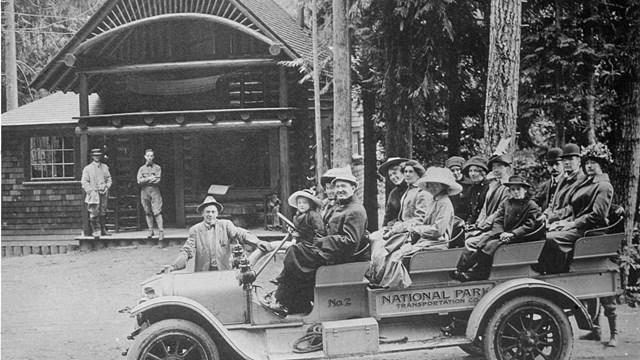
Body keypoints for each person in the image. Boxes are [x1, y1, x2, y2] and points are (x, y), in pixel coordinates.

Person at [266, 166, 367, 316]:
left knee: (295, 252)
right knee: (297, 252)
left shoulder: (355, 210)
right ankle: (299, 303)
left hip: (339, 256)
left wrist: (321, 242)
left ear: (353, 187)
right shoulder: (341, 206)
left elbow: (351, 242)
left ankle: (282, 300)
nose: (339, 190)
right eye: (337, 186)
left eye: (343, 186)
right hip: (329, 250)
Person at [366, 167, 459, 289]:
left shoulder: (444, 203)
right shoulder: (433, 200)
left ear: (444, 186)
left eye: (436, 185)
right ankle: (381, 281)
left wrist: (417, 229)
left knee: (397, 255)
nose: (432, 187)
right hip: (425, 239)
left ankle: (394, 286)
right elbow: (423, 221)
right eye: (430, 185)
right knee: (389, 250)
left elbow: (438, 230)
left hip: (437, 242)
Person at [535, 142, 614, 275]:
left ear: (602, 165)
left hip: (591, 230)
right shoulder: (589, 183)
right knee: (543, 234)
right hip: (579, 227)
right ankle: (547, 270)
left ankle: (556, 273)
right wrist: (561, 222)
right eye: (587, 162)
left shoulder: (604, 186)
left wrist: (571, 224)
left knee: (551, 238)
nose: (589, 166)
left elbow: (597, 216)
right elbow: (572, 207)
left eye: (593, 163)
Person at [453, 175, 544, 281]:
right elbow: (498, 220)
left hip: (520, 237)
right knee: (483, 241)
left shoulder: (531, 206)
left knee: (490, 245)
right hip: (502, 234)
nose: (516, 192)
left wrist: (513, 234)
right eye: (513, 189)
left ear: (525, 190)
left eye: (518, 189)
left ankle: (479, 273)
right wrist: (500, 233)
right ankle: (464, 268)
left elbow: (530, 225)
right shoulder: (506, 203)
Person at [163, 196, 270, 273]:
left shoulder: (225, 225)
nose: (210, 215)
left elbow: (240, 233)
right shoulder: (195, 230)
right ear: (202, 213)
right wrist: (175, 266)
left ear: (217, 213)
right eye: (207, 212)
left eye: (213, 212)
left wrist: (257, 242)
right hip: (203, 273)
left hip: (223, 271)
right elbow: (187, 250)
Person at [270, 189, 327, 285]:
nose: (301, 205)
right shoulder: (297, 217)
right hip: (303, 244)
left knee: (293, 249)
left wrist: (316, 248)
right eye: (299, 203)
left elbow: (320, 233)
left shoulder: (313, 215)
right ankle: (289, 275)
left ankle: (285, 276)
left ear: (311, 204)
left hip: (312, 246)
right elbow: (298, 231)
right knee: (290, 249)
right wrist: (294, 234)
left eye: (305, 203)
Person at [465, 153, 512, 249]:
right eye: (494, 167)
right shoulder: (493, 185)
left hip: (498, 227)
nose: (496, 170)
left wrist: (484, 224)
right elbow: (484, 208)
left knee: (470, 242)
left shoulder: (509, 187)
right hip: (486, 225)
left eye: (499, 167)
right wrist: (478, 223)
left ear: (507, 169)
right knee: (465, 236)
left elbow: (500, 211)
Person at [545, 143, 586, 223]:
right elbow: (553, 204)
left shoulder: (581, 181)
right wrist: (545, 214)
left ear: (579, 161)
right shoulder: (563, 179)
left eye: (571, 159)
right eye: (564, 159)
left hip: (567, 222)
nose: (566, 162)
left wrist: (550, 217)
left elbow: (572, 208)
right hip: (553, 220)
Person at [81, 148, 112, 239]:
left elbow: (109, 178)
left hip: (103, 192)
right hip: (94, 193)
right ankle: (94, 231)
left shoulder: (105, 167)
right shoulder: (87, 169)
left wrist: (107, 187)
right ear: (92, 157)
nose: (97, 157)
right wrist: (90, 191)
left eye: (98, 155)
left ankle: (103, 230)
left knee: (103, 210)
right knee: (94, 212)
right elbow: (84, 182)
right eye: (95, 155)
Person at [137, 149, 164, 241]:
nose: (149, 157)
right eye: (148, 155)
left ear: (153, 157)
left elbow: (157, 180)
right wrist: (150, 178)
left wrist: (146, 179)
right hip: (144, 191)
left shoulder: (158, 168)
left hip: (154, 190)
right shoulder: (141, 169)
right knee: (147, 211)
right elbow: (139, 181)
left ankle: (161, 231)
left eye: (151, 156)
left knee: (157, 211)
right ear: (145, 156)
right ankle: (150, 230)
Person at [378, 157, 409, 227]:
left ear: (403, 172)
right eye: (390, 175)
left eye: (395, 173)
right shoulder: (393, 194)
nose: (393, 177)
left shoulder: (413, 189)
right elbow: (388, 217)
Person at [462, 156, 490, 225]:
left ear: (482, 172)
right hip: (472, 222)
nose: (472, 174)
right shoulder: (471, 188)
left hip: (484, 222)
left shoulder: (488, 187)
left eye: (476, 171)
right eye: (470, 171)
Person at [446, 156, 472, 221]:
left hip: (466, 218)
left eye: (457, 169)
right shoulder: (447, 185)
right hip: (451, 217)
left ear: (461, 170)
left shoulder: (470, 184)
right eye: (452, 170)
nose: (455, 173)